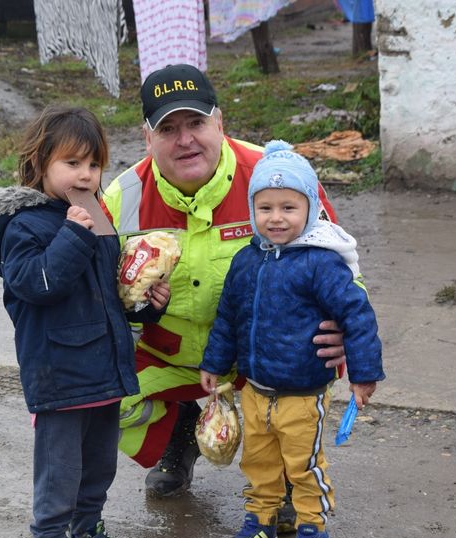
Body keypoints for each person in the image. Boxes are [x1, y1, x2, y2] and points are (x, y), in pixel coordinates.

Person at [101, 64, 346, 507]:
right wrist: (134, 310)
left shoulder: (274, 177)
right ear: (147, 137)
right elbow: (95, 297)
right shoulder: (122, 197)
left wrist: (344, 326)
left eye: (196, 123)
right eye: (168, 129)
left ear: (219, 122)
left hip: (261, 355)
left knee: (289, 416)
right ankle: (179, 434)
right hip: (168, 354)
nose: (185, 139)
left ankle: (289, 477)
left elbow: (339, 262)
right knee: (94, 390)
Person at [0, 106, 170, 538]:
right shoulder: (23, 226)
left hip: (104, 372)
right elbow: (38, 284)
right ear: (40, 163)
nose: (86, 175)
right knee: (60, 472)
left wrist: (145, 305)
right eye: (72, 163)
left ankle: (88, 529)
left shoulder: (94, 216)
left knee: (98, 468)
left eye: (94, 164)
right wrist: (74, 236)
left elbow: (108, 296)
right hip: (60, 376)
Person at [199, 140, 385, 538]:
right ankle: (260, 522)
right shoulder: (246, 261)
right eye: (266, 208)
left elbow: (357, 314)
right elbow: (228, 317)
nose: (276, 218)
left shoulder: (321, 262)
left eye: (288, 207)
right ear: (253, 210)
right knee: (258, 461)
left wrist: (364, 373)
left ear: (310, 209)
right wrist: (214, 361)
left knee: (302, 465)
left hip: (302, 392)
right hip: (255, 388)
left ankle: (312, 528)